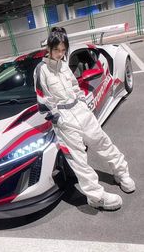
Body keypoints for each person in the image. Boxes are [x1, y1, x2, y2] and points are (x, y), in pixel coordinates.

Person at [34, 27, 135, 210]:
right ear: (49, 48)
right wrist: (59, 120)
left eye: (63, 50)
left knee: (103, 142)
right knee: (79, 160)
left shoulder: (64, 65)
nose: (60, 54)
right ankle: (96, 197)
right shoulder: (41, 70)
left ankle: (121, 172)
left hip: (80, 111)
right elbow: (43, 101)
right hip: (64, 119)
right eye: (56, 50)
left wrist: (83, 105)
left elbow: (75, 87)